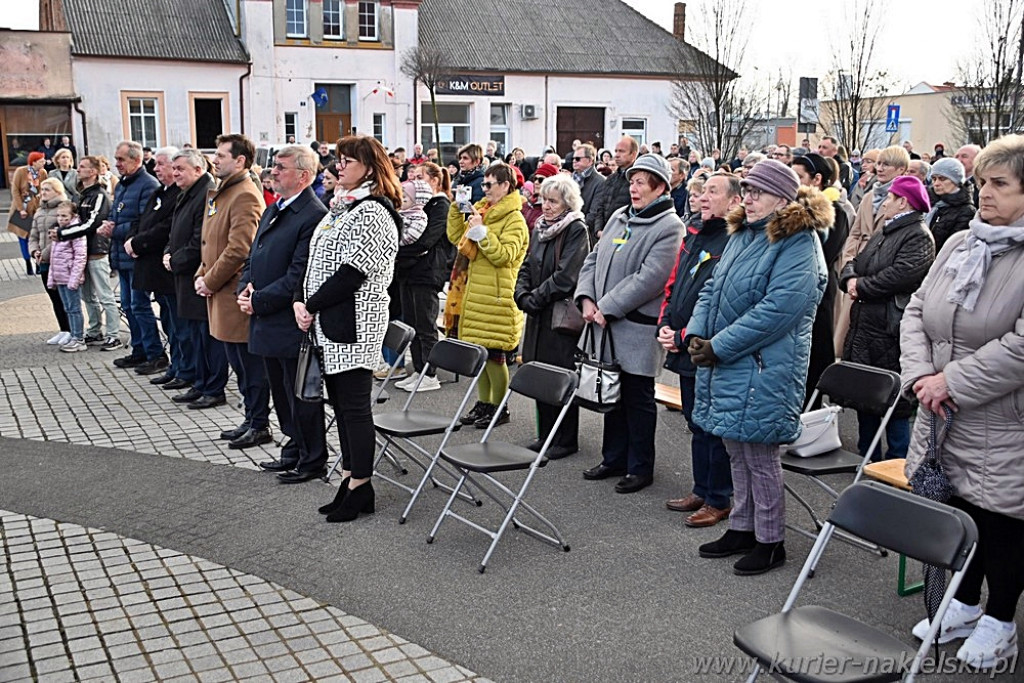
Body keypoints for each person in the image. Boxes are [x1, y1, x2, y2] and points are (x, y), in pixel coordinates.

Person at [900, 134, 1024, 669]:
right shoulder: (959, 243)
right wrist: (922, 375)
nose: (986, 194)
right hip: (942, 411)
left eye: (1000, 184)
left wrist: (952, 381)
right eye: (982, 183)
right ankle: (966, 603)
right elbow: (917, 310)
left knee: (1001, 519)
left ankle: (1001, 620)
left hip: (1002, 417)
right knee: (958, 507)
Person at [688, 160, 830, 575]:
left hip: (767, 366)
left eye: (757, 193)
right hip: (730, 359)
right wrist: (697, 331)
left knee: (761, 455)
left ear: (783, 199)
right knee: (736, 447)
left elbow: (778, 311)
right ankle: (742, 527)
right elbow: (713, 286)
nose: (747, 199)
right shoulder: (744, 234)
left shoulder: (799, 243)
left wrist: (719, 346)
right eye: (745, 191)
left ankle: (770, 541)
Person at [296, 135, 401, 521]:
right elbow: (312, 261)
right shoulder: (341, 207)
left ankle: (361, 485)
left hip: (356, 322)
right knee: (339, 406)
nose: (339, 166)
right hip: (328, 319)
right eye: (338, 160)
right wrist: (299, 300)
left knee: (355, 408)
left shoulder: (374, 211)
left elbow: (351, 273)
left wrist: (309, 305)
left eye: (348, 161)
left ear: (370, 168)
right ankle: (347, 477)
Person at [576, 154, 683, 494]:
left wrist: (606, 306)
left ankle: (640, 466)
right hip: (603, 321)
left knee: (638, 398)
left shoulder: (670, 227)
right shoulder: (621, 215)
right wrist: (587, 298)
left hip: (635, 327)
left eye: (641, 183)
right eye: (632, 181)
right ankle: (613, 458)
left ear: (660, 187)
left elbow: (650, 278)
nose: (633, 189)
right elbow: (593, 258)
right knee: (612, 393)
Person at [238, 144, 328, 478]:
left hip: (288, 322)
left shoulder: (312, 215)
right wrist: (244, 288)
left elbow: (298, 275)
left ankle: (311, 459)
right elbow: (253, 255)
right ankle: (294, 447)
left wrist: (257, 299)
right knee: (282, 393)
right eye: (274, 166)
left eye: (280, 167)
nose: (272, 171)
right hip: (265, 318)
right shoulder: (274, 208)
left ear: (303, 176)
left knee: (300, 395)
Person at [659, 173, 739, 526]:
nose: (702, 198)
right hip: (683, 340)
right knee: (695, 419)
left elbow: (717, 301)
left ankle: (719, 497)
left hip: (707, 345)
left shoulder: (734, 239)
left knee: (712, 425)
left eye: (712, 192)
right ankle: (701, 488)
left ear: (734, 201)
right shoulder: (694, 232)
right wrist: (665, 322)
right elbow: (675, 282)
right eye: (700, 191)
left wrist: (684, 334)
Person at [840, 175, 934, 461]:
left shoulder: (918, 235)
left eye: (891, 197)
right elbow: (856, 260)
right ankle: (866, 460)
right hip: (865, 329)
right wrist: (849, 279)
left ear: (904, 201)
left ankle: (897, 466)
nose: (885, 202)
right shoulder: (886, 230)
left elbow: (900, 276)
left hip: (888, 333)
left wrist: (861, 286)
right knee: (865, 398)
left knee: (895, 404)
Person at [195, 134, 269, 441]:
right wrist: (203, 273)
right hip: (218, 292)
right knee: (238, 365)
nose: (215, 159)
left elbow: (240, 249)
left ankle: (259, 425)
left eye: (222, 155)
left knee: (249, 367)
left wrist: (209, 280)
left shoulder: (245, 195)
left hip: (233, 295)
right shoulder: (223, 191)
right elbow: (210, 242)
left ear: (240, 161)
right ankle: (250, 419)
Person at [445, 162, 528, 428]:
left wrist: (482, 232)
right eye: (484, 185)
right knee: (481, 353)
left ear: (506, 185)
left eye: (490, 185)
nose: (485, 190)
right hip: (475, 293)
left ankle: (499, 406)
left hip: (497, 295)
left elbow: (504, 256)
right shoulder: (481, 209)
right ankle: (484, 403)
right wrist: (458, 211)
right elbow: (456, 238)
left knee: (496, 355)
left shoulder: (515, 219)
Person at [514, 174, 590, 458]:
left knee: (560, 375)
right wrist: (521, 292)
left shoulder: (576, 229)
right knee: (539, 372)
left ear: (567, 203)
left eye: (553, 201)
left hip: (559, 315)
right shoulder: (540, 227)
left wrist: (535, 297)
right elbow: (527, 263)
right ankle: (545, 434)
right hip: (538, 312)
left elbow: (567, 276)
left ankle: (565, 439)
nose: (545, 206)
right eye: (544, 200)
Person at [835, 145, 910, 355]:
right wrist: (849, 260)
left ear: (901, 169)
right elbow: (855, 232)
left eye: (887, 164)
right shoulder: (869, 195)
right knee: (847, 330)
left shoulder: (905, 199)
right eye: (879, 163)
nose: (880, 168)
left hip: (879, 265)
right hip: (858, 264)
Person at [792, 154, 853, 403]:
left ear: (817, 180)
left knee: (814, 357)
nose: (793, 182)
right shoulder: (790, 208)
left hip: (816, 293)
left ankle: (812, 418)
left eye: (799, 177)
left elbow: (823, 255)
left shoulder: (834, 212)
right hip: (794, 292)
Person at [165, 149, 224, 402]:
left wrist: (176, 260)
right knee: (194, 335)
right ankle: (200, 383)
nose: (175, 173)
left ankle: (212, 388)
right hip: (184, 275)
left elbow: (203, 239)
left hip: (199, 274)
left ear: (198, 170)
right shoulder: (187, 193)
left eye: (180, 169)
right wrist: (169, 252)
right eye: (174, 168)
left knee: (206, 337)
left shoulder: (207, 193)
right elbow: (175, 230)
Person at [99, 141, 163, 373]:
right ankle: (139, 351)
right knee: (128, 305)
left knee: (140, 306)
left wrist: (113, 230)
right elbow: (119, 215)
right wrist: (111, 225)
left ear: (136, 160)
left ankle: (155, 354)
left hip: (138, 257)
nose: (117, 164)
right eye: (116, 159)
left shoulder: (148, 185)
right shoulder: (124, 185)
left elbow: (144, 224)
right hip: (122, 256)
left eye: (121, 160)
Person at [124, 147, 182, 386]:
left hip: (166, 268)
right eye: (156, 164)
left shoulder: (178, 194)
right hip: (151, 267)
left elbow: (165, 228)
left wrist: (139, 242)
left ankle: (182, 368)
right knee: (168, 321)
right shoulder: (160, 192)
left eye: (161, 164)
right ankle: (176, 367)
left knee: (177, 324)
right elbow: (142, 220)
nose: (156, 169)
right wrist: (132, 239)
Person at [393, 170, 449, 394]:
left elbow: (426, 240)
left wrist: (399, 252)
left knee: (425, 324)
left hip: (427, 272)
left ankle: (430, 372)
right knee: (413, 323)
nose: (415, 180)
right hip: (409, 271)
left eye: (421, 176)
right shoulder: (416, 207)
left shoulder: (440, 206)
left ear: (434, 181)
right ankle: (418, 368)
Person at [57, 156, 120, 350]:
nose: (78, 169)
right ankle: (94, 331)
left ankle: (113, 335)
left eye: (83, 167)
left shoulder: (99, 195)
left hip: (97, 252)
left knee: (104, 295)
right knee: (88, 296)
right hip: (82, 254)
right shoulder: (83, 194)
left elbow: (92, 224)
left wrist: (63, 233)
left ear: (93, 171)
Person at [29, 179, 71, 344]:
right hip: (43, 261)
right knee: (53, 296)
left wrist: (44, 253)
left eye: (47, 189)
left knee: (64, 298)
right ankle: (63, 329)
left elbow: (61, 236)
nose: (43, 192)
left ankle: (71, 329)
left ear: (57, 190)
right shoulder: (39, 211)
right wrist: (34, 251)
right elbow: (33, 235)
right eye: (42, 189)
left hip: (59, 259)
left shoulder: (64, 208)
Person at [48, 201, 88, 352]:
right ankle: (73, 335)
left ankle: (79, 338)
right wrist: (52, 278)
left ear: (73, 216)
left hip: (70, 275)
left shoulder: (75, 232)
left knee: (74, 308)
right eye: (58, 215)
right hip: (60, 276)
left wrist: (75, 278)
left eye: (64, 216)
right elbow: (53, 257)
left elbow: (80, 256)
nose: (60, 219)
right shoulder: (59, 231)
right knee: (67, 308)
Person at [590, 136, 638, 241]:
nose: (616, 155)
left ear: (633, 154)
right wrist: (598, 230)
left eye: (621, 151)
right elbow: (600, 206)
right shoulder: (610, 179)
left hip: (625, 238)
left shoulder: (637, 181)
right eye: (616, 151)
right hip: (604, 236)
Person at [9, 151, 48, 275]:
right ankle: (27, 262)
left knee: (36, 237)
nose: (44, 162)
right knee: (23, 237)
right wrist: (21, 209)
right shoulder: (21, 171)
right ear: (34, 162)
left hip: (36, 209)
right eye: (41, 160)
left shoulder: (43, 173)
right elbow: (15, 190)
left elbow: (44, 189)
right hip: (22, 209)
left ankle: (37, 262)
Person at [926, 157, 975, 252]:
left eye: (942, 179)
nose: (936, 183)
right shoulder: (931, 204)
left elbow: (953, 246)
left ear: (956, 181)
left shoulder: (966, 211)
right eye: (934, 179)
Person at [571, 143, 604, 230]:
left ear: (590, 160)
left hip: (584, 232)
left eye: (578, 159)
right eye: (573, 158)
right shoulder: (570, 179)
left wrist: (577, 228)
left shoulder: (601, 181)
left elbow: (593, 213)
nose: (574, 161)